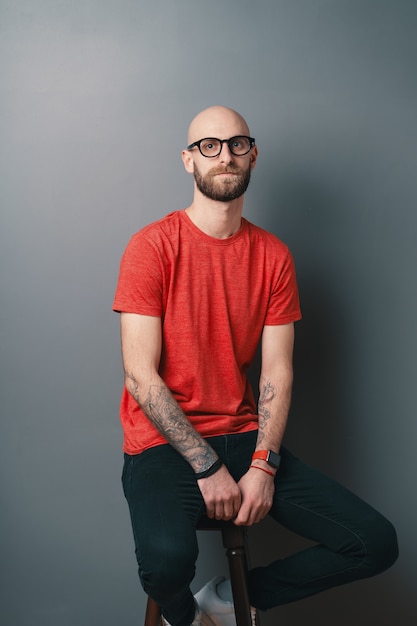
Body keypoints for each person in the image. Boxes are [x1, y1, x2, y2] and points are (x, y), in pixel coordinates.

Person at [113, 106, 398, 626]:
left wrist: (263, 463)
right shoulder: (151, 247)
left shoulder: (272, 256)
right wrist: (206, 466)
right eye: (209, 145)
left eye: (237, 144)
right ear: (187, 160)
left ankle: (229, 599)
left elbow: (277, 372)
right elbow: (140, 376)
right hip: (162, 442)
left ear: (253, 154)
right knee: (166, 565)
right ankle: (191, 619)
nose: (224, 155)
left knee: (373, 543)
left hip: (244, 436)